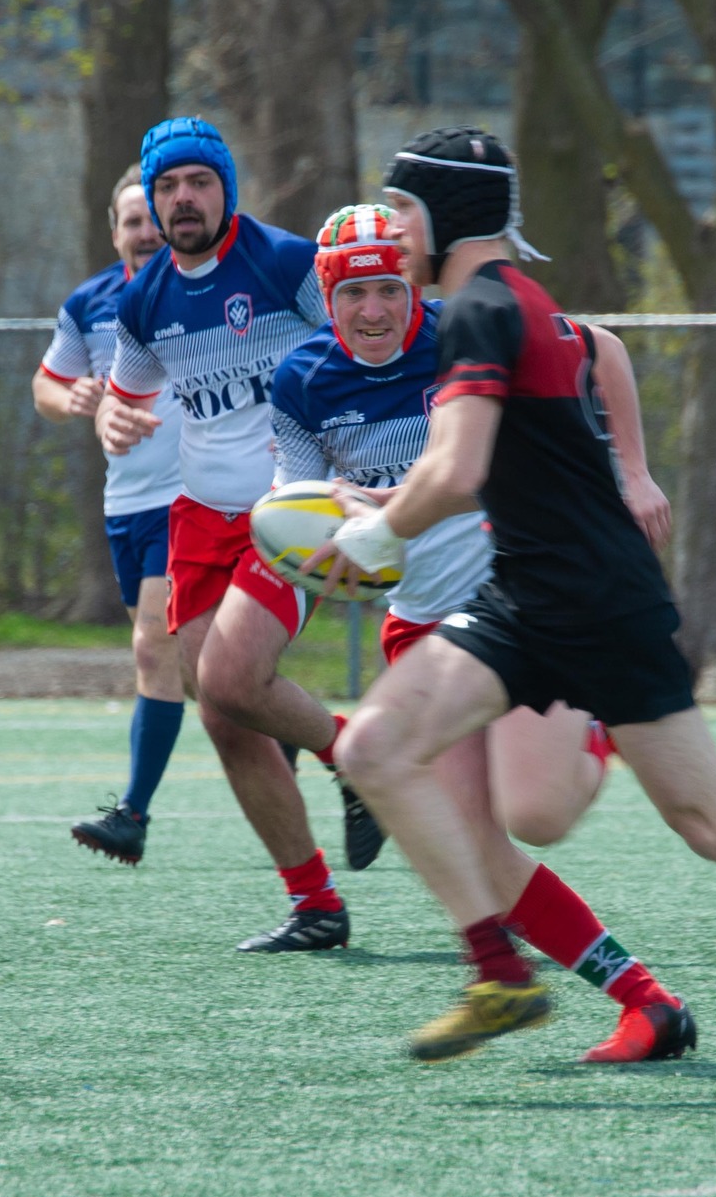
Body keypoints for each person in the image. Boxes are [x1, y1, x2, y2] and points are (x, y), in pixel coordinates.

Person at [330, 128, 716, 1092]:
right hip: (524, 595)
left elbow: (461, 468)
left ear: (447, 213)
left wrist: (379, 533)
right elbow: (475, 463)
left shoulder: (485, 306)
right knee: (370, 749)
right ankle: (499, 972)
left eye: (402, 209)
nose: (390, 227)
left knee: (712, 823)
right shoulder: (492, 307)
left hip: (604, 603)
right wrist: (389, 510)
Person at [276, 204, 692, 1062]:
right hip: (420, 625)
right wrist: (333, 552)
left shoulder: (462, 329)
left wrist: (634, 469)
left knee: (535, 813)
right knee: (479, 848)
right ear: (330, 299)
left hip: (514, 606)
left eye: (390, 287)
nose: (376, 309)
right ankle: (647, 1003)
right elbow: (303, 517)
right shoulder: (305, 380)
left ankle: (592, 724)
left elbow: (598, 345)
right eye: (355, 294)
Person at [93, 118, 380, 952]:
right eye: (168, 185)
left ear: (227, 189)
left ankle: (354, 755)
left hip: (291, 513)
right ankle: (316, 903)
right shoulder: (143, 299)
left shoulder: (286, 263)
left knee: (233, 676)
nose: (183, 199)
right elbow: (129, 394)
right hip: (198, 518)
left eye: (199, 182)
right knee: (220, 709)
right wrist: (114, 415)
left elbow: (368, 346)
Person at [36, 164, 185, 865]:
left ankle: (132, 813)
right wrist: (74, 401)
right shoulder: (90, 302)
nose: (145, 232)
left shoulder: (202, 294)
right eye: (132, 221)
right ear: (114, 232)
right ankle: (331, 745)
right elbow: (46, 381)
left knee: (154, 651)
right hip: (126, 500)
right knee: (209, 672)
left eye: (153, 218)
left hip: (191, 498)